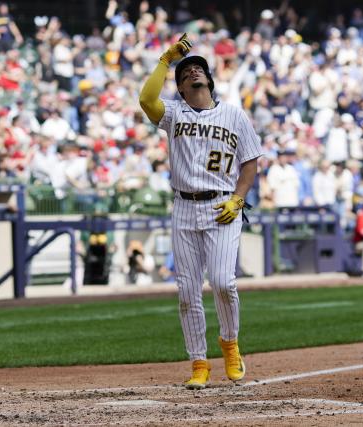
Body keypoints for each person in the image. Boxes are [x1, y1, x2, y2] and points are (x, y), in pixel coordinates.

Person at [139, 35, 263, 389]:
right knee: (187, 291)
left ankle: (230, 343)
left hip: (222, 204)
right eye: (186, 71)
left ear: (209, 80)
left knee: (224, 283)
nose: (193, 70)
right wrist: (166, 60)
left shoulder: (234, 114)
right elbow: (146, 99)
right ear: (179, 87)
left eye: (199, 68)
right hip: (183, 206)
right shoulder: (175, 112)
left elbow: (250, 161)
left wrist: (238, 199)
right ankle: (198, 362)